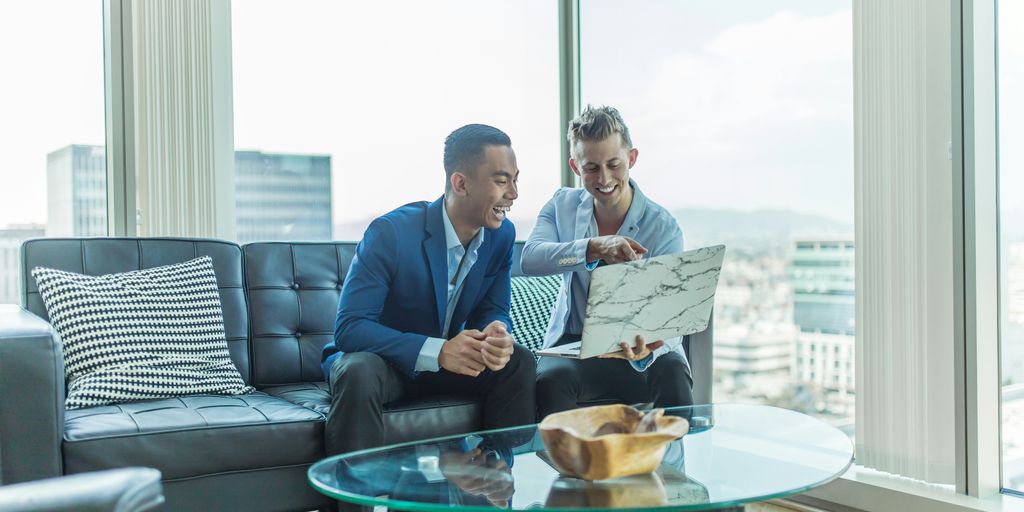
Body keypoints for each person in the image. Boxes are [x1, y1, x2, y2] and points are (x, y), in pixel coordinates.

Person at [322, 124, 536, 457]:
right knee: (358, 371)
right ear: (460, 183)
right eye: (501, 180)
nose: (514, 193)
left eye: (515, 178)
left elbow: (493, 308)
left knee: (517, 361)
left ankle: (492, 485)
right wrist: (438, 351)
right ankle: (353, 503)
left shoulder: (501, 235)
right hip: (387, 364)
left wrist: (497, 330)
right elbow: (350, 329)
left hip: (447, 364)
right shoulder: (390, 233)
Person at [521, 105, 693, 419]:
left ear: (632, 158)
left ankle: (674, 467)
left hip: (640, 348)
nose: (604, 178)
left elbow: (672, 318)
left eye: (614, 164)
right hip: (575, 346)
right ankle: (567, 469)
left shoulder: (663, 227)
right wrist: (592, 248)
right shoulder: (561, 206)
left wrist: (648, 347)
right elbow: (531, 259)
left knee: (673, 372)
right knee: (550, 381)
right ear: (575, 166)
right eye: (591, 168)